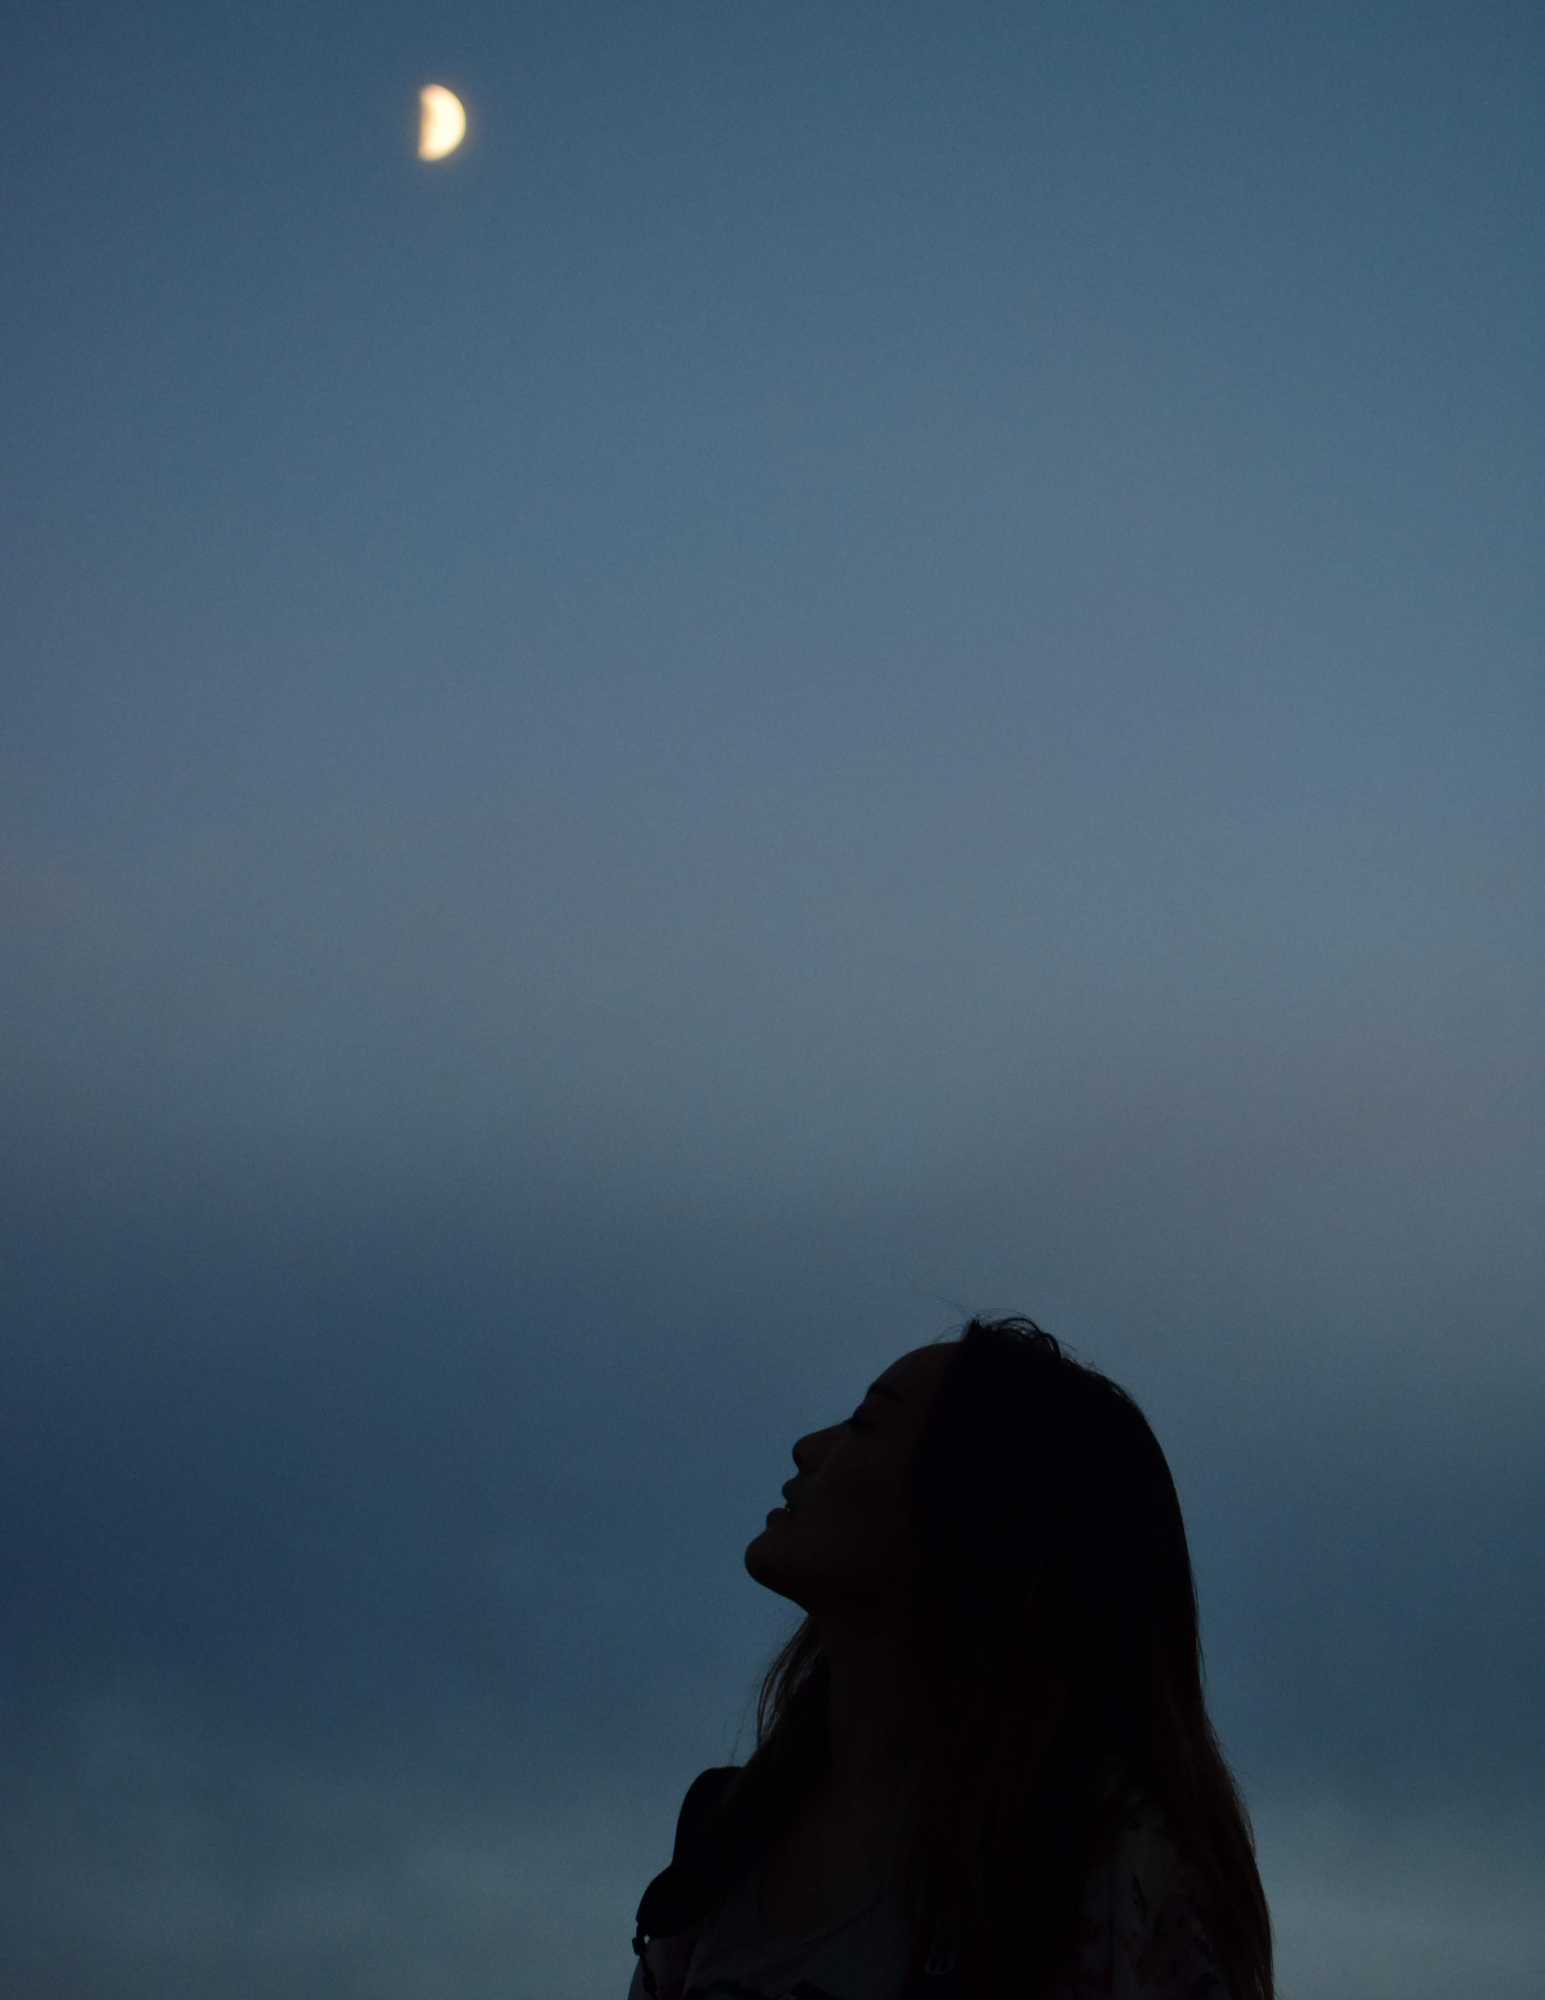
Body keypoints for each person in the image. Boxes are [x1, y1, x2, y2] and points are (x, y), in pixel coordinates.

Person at [629, 1316, 1272, 2000]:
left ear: (979, 1507)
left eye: (863, 1424)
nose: (806, 1449)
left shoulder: (1109, 1862)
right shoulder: (722, 1846)